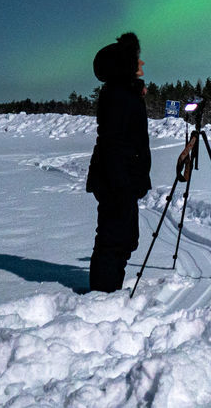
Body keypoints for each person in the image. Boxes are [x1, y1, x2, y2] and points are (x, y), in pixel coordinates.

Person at [85, 32, 152, 292]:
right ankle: (103, 296)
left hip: (120, 178)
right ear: (126, 64)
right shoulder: (118, 96)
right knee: (114, 240)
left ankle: (107, 291)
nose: (142, 64)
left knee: (123, 239)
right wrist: (126, 182)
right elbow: (116, 144)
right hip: (117, 179)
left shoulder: (121, 94)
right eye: (138, 60)